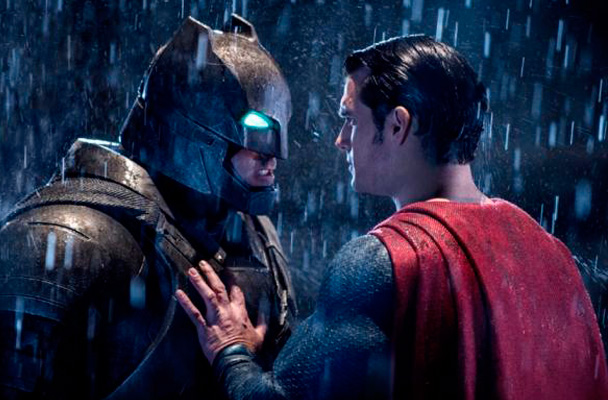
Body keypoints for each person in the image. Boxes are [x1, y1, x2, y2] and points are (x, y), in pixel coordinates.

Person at [175, 35, 608, 399]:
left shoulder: (386, 262)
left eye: (350, 119)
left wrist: (231, 349)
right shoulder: (551, 253)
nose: (341, 140)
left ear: (399, 125)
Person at [0, 15, 296, 399]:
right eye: (256, 143)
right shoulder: (67, 240)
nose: (271, 161)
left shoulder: (253, 237)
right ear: (195, 135)